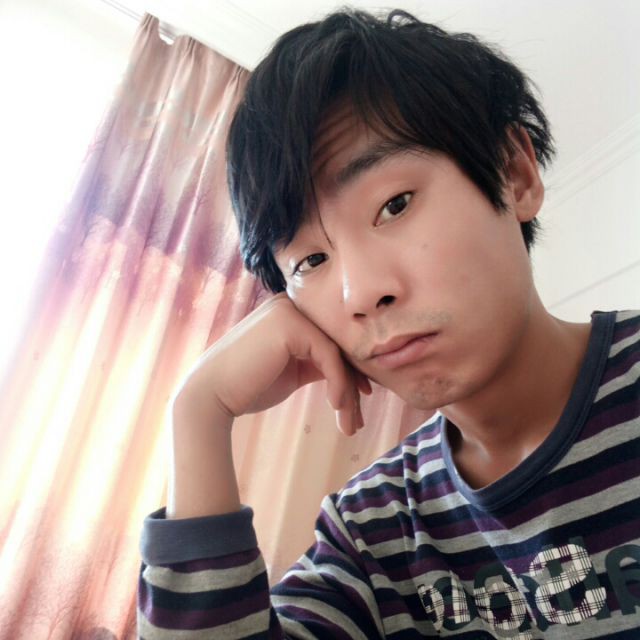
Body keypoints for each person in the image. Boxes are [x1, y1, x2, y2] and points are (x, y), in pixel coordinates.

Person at [137, 8, 640, 639]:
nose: (360, 293)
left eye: (394, 205)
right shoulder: (369, 531)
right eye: (310, 261)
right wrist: (198, 412)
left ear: (514, 174)